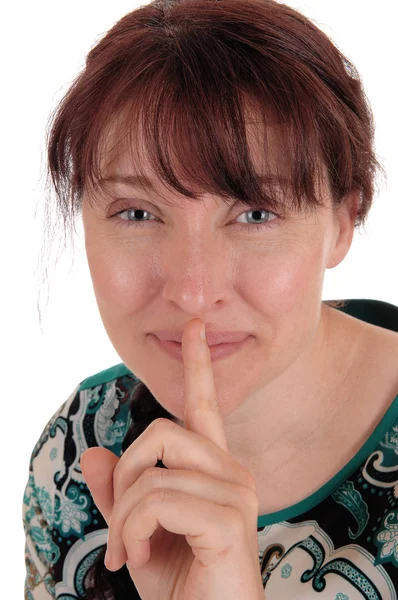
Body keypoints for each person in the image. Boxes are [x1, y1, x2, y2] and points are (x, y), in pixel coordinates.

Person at [22, 0, 398, 597]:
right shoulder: (76, 453)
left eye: (255, 213)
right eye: (138, 212)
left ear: (344, 222)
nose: (193, 292)